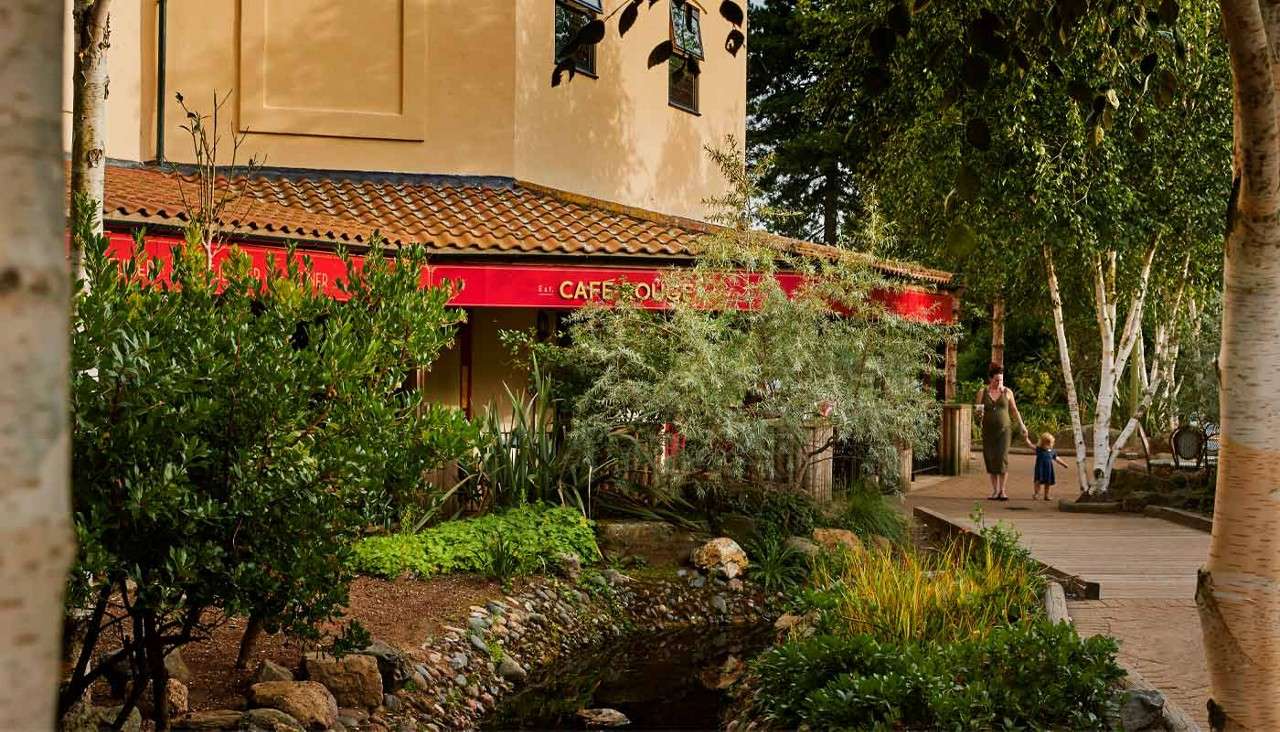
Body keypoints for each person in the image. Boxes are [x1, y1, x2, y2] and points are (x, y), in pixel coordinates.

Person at [975, 364, 1033, 501]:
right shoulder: (982, 392)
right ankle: (995, 491)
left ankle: (1002, 490)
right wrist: (979, 417)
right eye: (996, 380)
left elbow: (1014, 410)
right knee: (990, 458)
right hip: (988, 431)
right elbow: (977, 411)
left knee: (1002, 458)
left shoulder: (1007, 392)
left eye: (1001, 380)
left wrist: (1022, 425)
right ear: (990, 379)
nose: (999, 382)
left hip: (1004, 431)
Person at [1033, 433, 1069, 501]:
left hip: (1048, 469)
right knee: (1038, 481)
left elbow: (1056, 458)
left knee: (1048, 482)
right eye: (1048, 444)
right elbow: (1031, 446)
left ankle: (1046, 495)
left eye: (1051, 443)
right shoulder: (1039, 450)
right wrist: (1026, 439)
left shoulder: (1052, 451)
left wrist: (1064, 464)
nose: (1050, 445)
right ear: (1043, 444)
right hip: (1040, 468)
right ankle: (1036, 493)